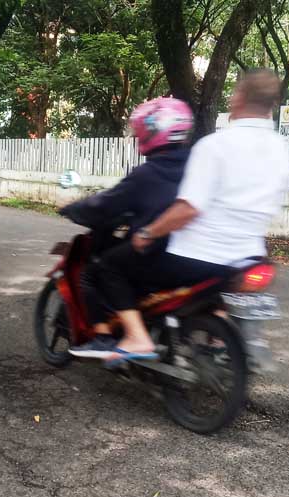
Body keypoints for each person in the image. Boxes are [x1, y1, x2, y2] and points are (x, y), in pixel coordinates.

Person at [97, 69, 289, 365]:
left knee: (112, 265)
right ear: (272, 104)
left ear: (238, 98)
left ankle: (137, 337)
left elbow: (188, 208)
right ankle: (217, 337)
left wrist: (147, 234)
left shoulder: (215, 146)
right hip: (249, 258)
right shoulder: (282, 149)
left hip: (196, 258)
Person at [62, 97, 194, 358]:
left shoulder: (149, 173)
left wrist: (74, 209)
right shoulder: (197, 165)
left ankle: (103, 336)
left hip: (158, 252)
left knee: (96, 269)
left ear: (151, 132)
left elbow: (105, 204)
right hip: (195, 254)